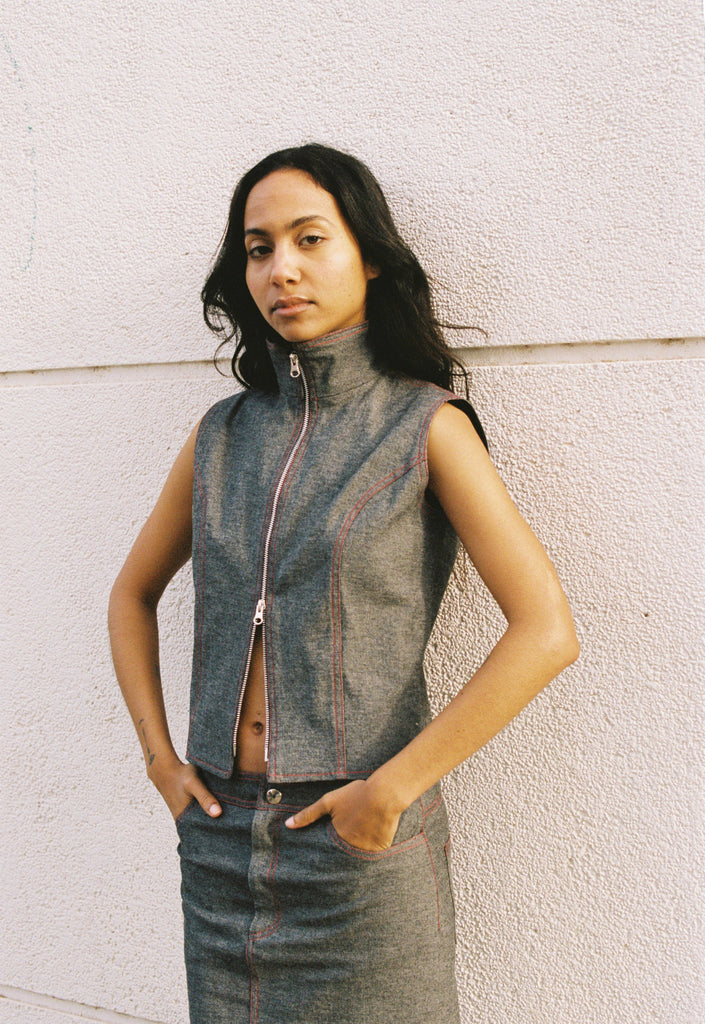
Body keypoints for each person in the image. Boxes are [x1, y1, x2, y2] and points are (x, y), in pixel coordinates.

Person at [108, 143, 579, 1024]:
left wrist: (390, 791)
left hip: (358, 847)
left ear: (368, 257)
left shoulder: (424, 426)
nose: (280, 269)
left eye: (309, 239)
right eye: (258, 249)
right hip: (218, 848)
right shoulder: (219, 436)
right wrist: (161, 764)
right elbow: (130, 595)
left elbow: (545, 629)